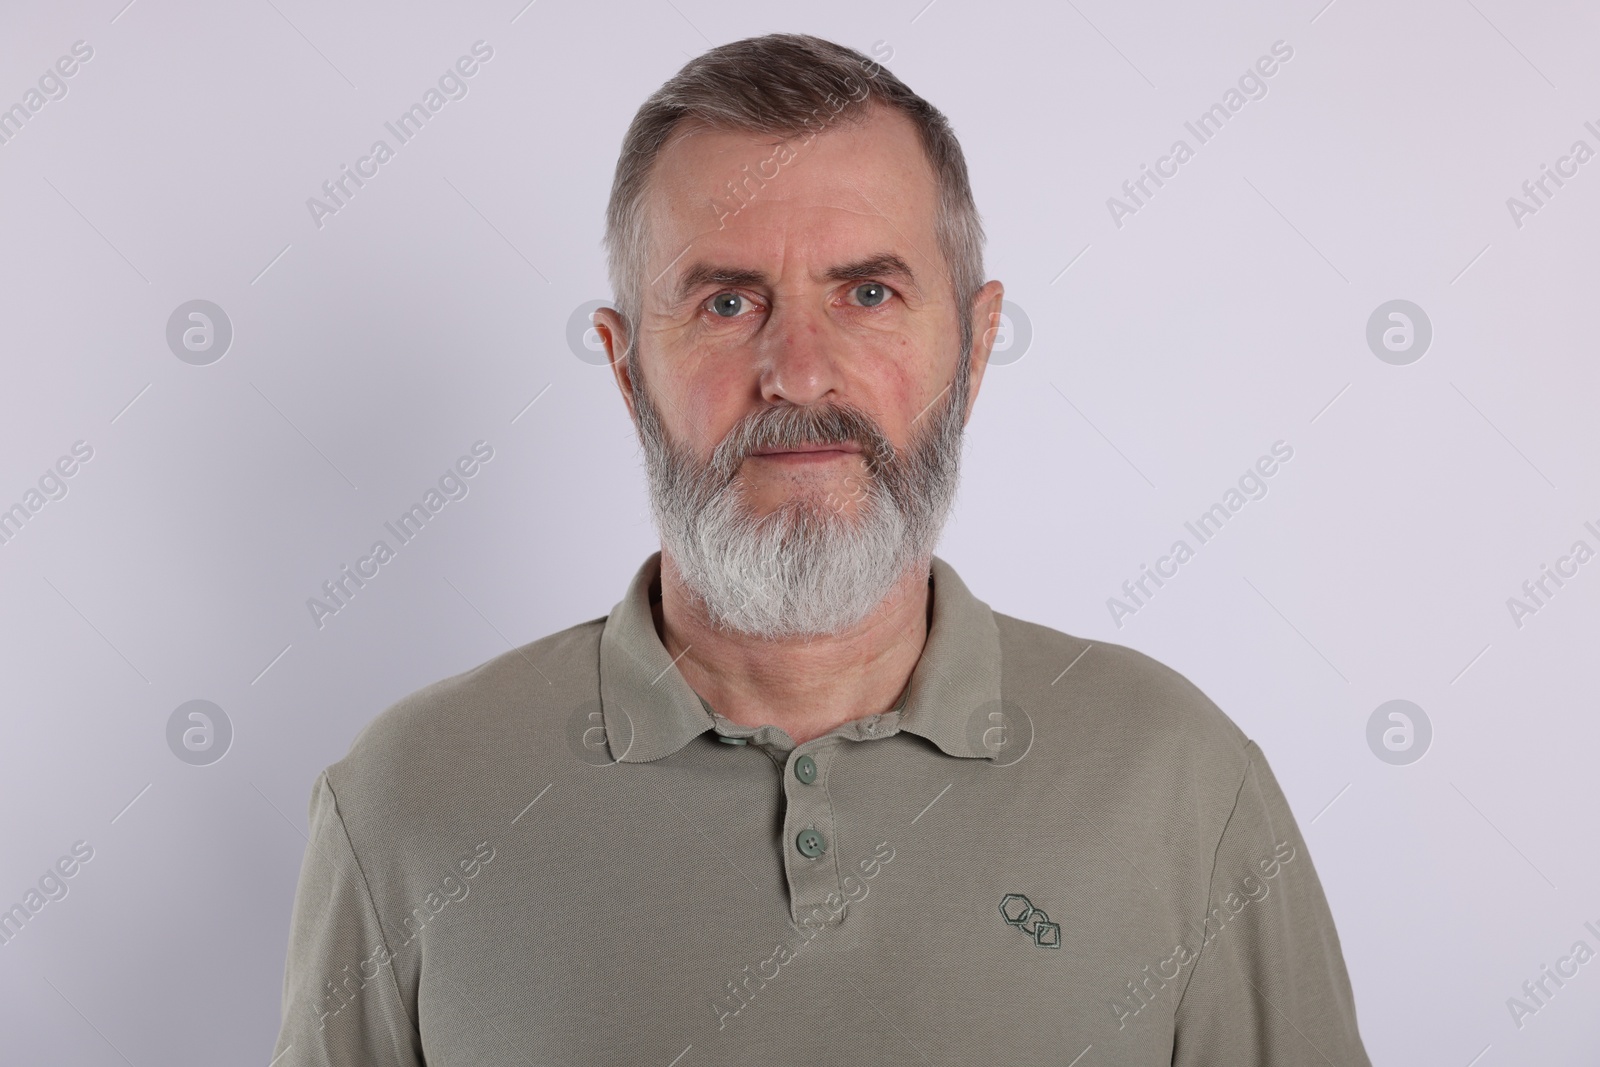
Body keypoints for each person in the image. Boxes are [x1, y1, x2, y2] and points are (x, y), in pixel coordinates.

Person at [272, 32, 1371, 1065]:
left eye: (868, 292)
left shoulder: (1177, 778)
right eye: (726, 300)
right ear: (624, 368)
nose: (798, 372)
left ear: (975, 346)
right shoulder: (408, 799)